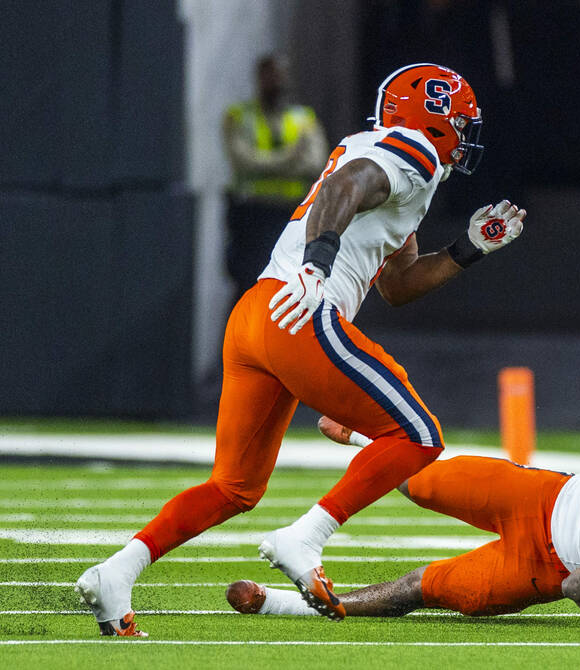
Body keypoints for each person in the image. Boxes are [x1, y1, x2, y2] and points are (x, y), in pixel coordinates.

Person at [75, 63, 526, 637]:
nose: (465, 136)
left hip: (258, 316)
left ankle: (118, 571)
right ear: (430, 117)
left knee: (234, 487)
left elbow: (398, 283)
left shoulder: (401, 165)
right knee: (418, 436)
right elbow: (345, 187)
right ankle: (303, 538)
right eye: (459, 122)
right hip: (300, 311)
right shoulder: (413, 148)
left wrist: (469, 249)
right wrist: (318, 264)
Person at [228, 421, 580, 626]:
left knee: (425, 589)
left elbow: (577, 591)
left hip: (541, 566)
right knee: (418, 481)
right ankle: (365, 437)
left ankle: (300, 605)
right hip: (547, 497)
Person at [223, 54, 329, 295]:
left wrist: (265, 162)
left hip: (290, 215)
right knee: (247, 287)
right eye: (271, 75)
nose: (277, 81)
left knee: (288, 288)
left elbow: (315, 164)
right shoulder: (239, 115)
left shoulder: (304, 119)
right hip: (251, 216)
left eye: (282, 75)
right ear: (259, 78)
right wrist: (291, 157)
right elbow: (243, 162)